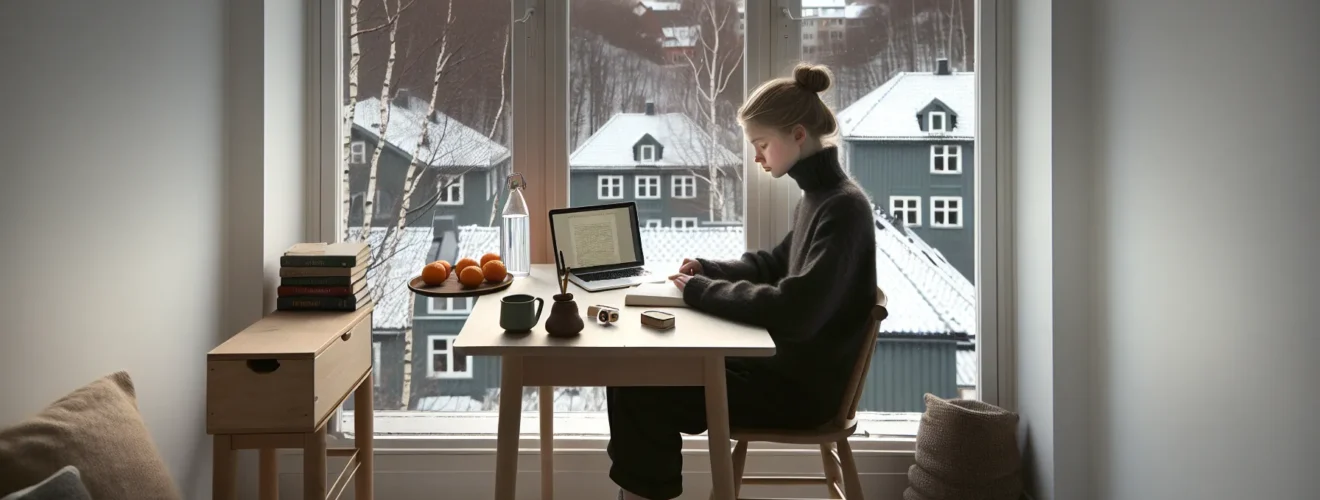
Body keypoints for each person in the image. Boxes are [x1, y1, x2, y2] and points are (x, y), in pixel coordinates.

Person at [606, 63, 879, 500]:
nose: (756, 157)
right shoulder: (821, 198)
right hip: (784, 372)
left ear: (797, 136)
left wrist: (701, 292)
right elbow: (774, 264)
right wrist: (708, 268)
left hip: (800, 392)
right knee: (633, 374)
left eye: (761, 144)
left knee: (640, 390)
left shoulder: (843, 208)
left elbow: (796, 311)